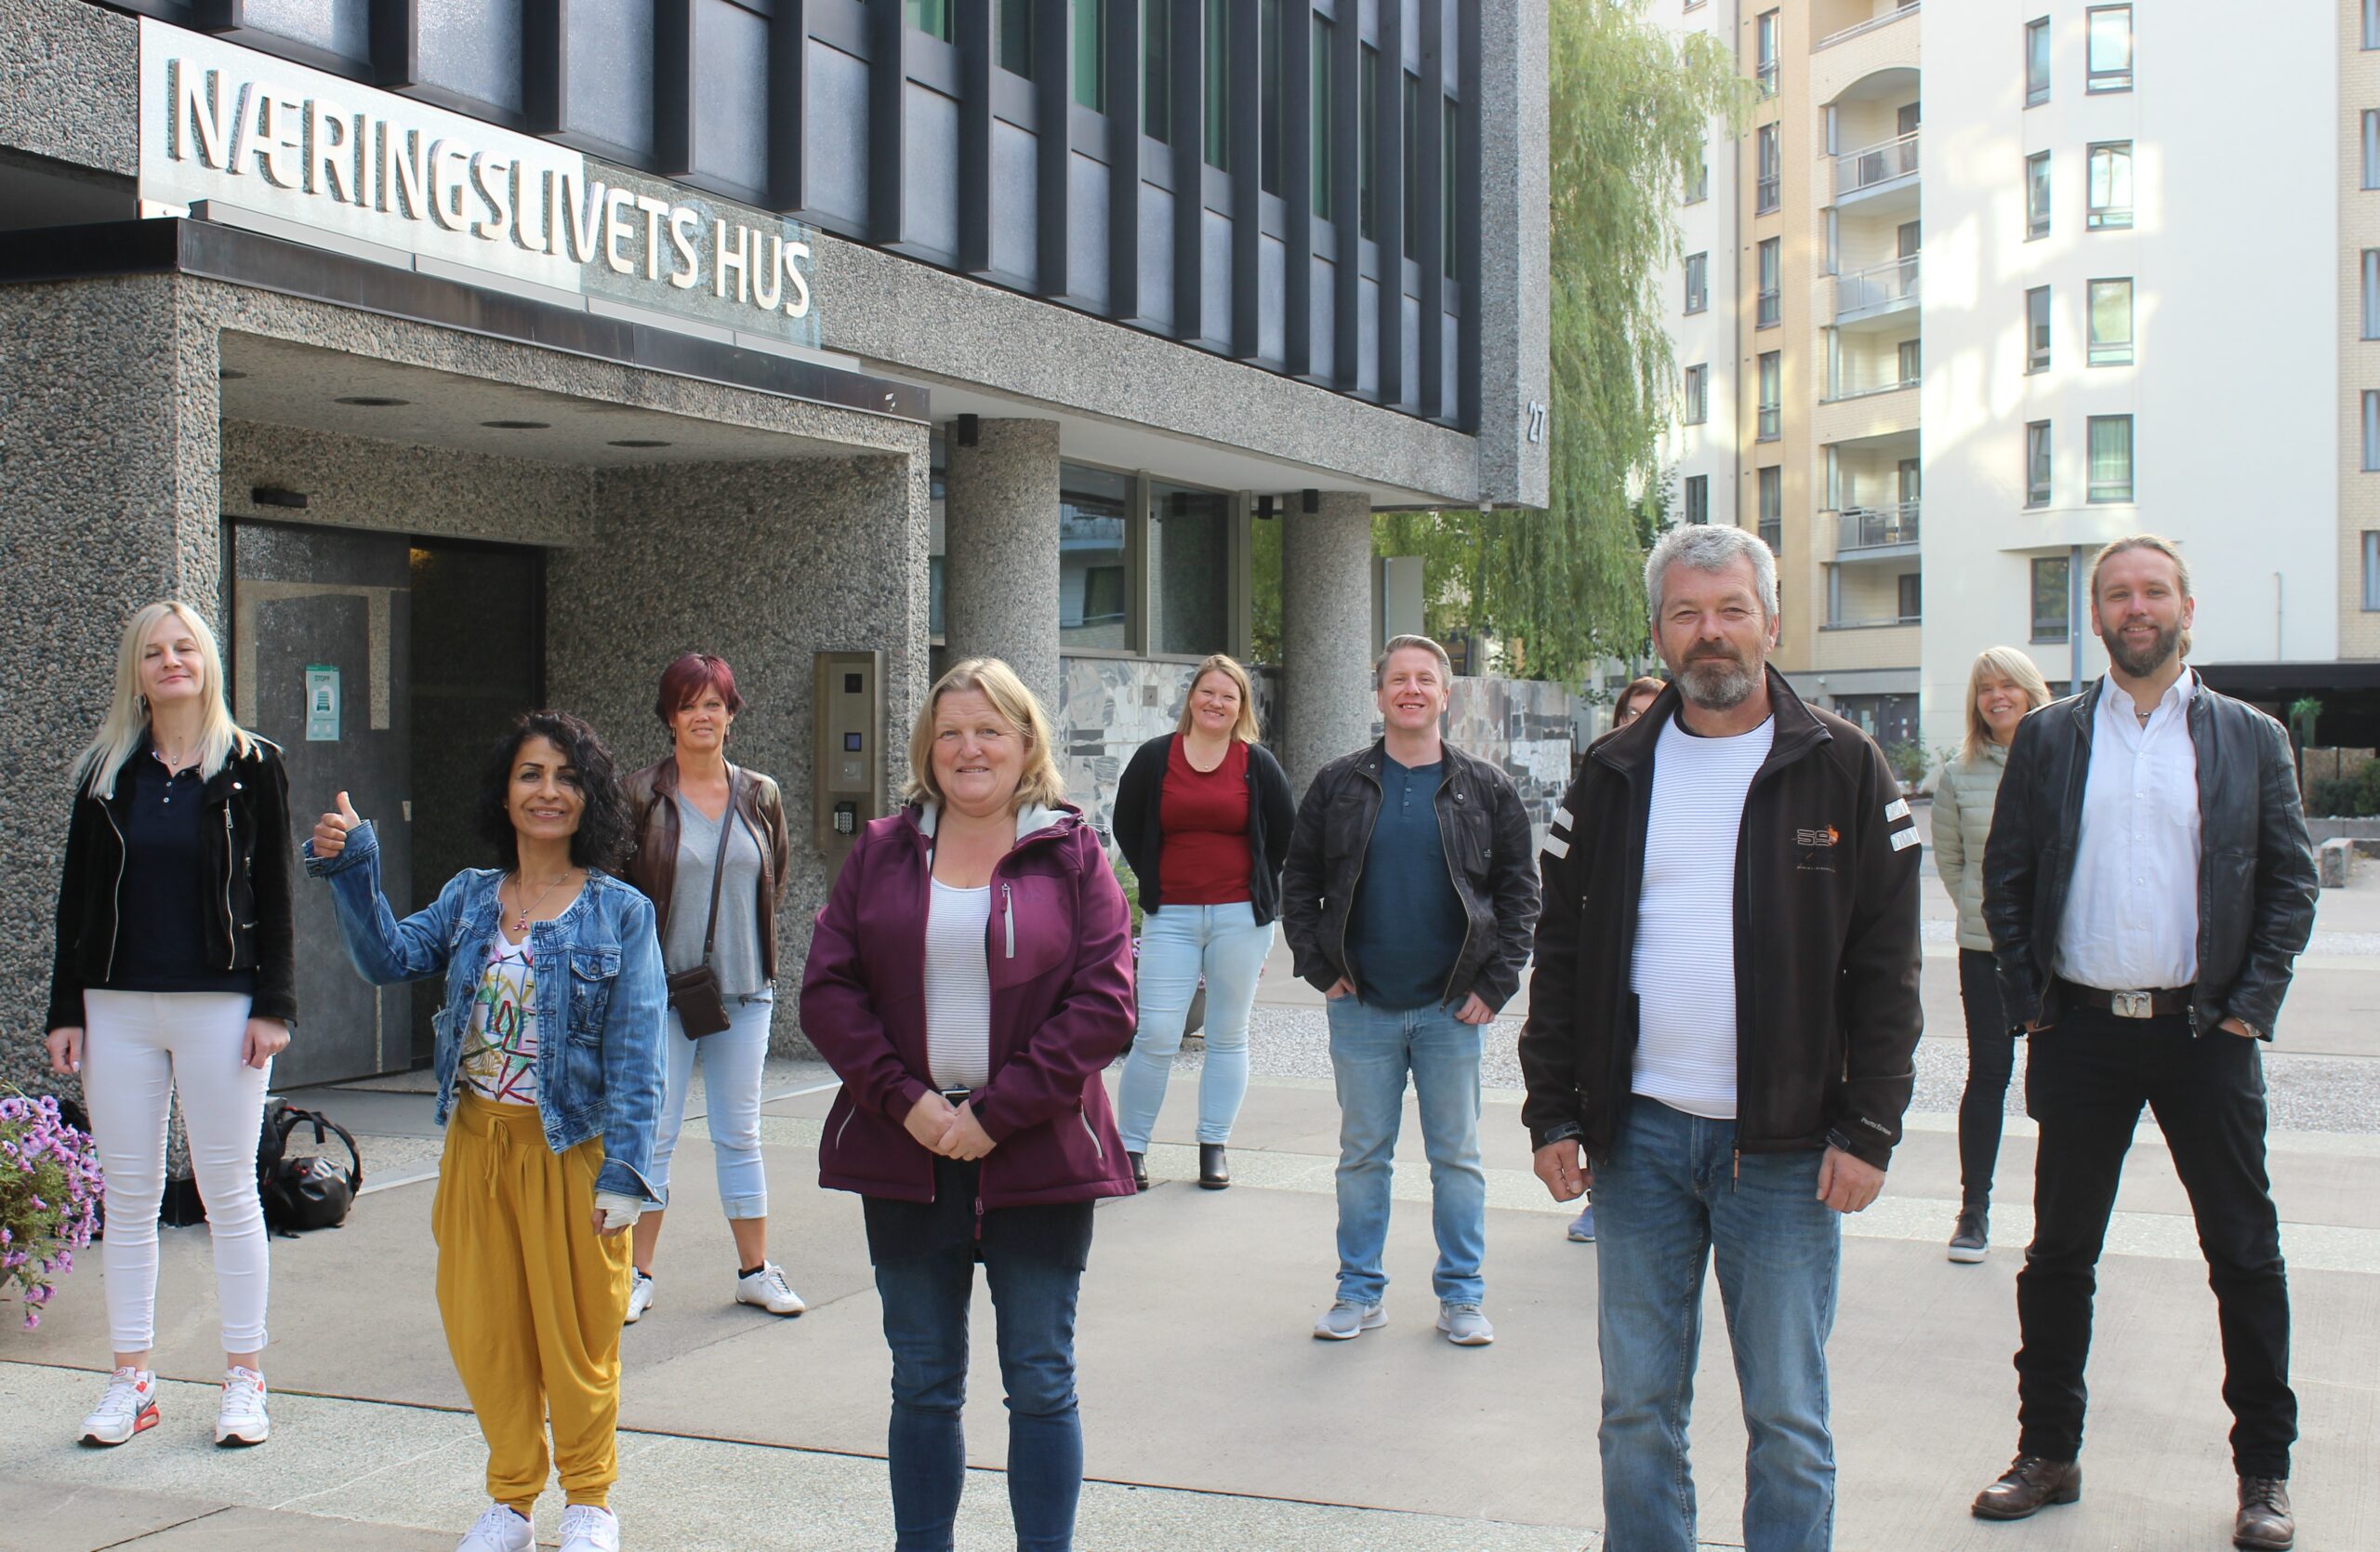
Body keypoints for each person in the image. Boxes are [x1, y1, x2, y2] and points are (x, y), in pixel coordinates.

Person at [1518, 524, 1924, 1552]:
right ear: (1658, 631)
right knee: (1635, 1413)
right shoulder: (1610, 774)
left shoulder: (1844, 766)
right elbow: (1559, 952)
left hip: (1786, 1155)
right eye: (1689, 613)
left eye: (1731, 610)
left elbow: (1888, 967)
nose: (1712, 633)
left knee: (1787, 1420)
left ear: (1771, 623)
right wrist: (1554, 1107)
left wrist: (1870, 1124)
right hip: (1639, 1142)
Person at [1971, 536, 2317, 1552]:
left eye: (2152, 590)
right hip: (2079, 1031)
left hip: (2205, 1034)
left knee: (2244, 1254)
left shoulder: (2249, 738)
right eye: (2117, 593)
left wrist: (2250, 1005)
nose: (2136, 606)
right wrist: (2030, 1002)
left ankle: (2263, 1474)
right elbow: (2008, 877)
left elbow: (2289, 883)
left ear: (2185, 607)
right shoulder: (2048, 738)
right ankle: (2048, 1452)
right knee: (2058, 1255)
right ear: (2095, 615)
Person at [305, 711, 666, 1552]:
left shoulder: (621, 912)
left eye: (568, 776)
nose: (549, 792)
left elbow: (640, 1055)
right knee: (487, 1330)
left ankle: (590, 1501)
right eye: (532, 774)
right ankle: (510, 1500)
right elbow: (388, 958)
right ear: (506, 793)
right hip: (476, 1144)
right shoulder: (472, 894)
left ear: (592, 798)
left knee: (578, 1334)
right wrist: (354, 867)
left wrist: (628, 1174)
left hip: (569, 1150)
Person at [800, 657, 1134, 1552]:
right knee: (921, 1380)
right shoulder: (880, 850)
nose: (969, 748)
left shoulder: (1073, 852)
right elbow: (829, 992)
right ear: (927, 748)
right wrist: (908, 1103)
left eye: (989, 729)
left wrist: (994, 1114)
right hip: (904, 1153)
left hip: (1038, 1154)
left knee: (1040, 1377)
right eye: (950, 732)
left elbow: (1106, 1004)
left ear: (1026, 742)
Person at [45, 601, 295, 1451]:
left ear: (208, 661)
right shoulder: (105, 771)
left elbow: (276, 900)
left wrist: (275, 1005)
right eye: (153, 651)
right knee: (131, 1195)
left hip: (221, 1006)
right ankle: (132, 1380)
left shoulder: (251, 766)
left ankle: (244, 1379)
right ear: (136, 670)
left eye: (184, 647)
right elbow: (74, 904)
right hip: (115, 1006)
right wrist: (66, 1008)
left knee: (228, 1193)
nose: (170, 661)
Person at [1281, 633, 1539, 1347]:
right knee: (1364, 1155)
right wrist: (1316, 965)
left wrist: (1496, 983)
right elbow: (1298, 881)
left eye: (1426, 679)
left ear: (1445, 694)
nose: (1412, 689)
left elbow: (1520, 895)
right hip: (1361, 1004)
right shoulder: (1338, 784)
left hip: (1453, 1009)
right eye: (1399, 678)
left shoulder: (1485, 788)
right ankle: (1358, 1290)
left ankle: (1461, 1295)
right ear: (1380, 692)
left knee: (1456, 1158)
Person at [620, 653, 800, 1322]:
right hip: (661, 992)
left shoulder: (761, 793)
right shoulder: (641, 795)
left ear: (731, 713)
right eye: (689, 703)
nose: (703, 715)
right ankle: (635, 1274)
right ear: (670, 715)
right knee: (655, 1133)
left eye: (715, 703)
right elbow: (619, 889)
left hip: (745, 989)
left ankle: (756, 1270)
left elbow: (772, 877)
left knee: (740, 1131)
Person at [1109, 654, 1296, 1191]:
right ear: (1192, 697)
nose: (1216, 703)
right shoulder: (1155, 758)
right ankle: (1132, 1148)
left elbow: (1284, 836)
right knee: (1156, 1033)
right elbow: (1127, 823)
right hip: (1170, 917)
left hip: (1242, 919)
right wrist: (1160, 880)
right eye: (1208, 692)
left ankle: (1213, 1146)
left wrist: (1254, 886)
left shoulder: (1257, 764)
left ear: (1242, 707)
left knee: (1227, 1034)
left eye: (1229, 696)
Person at [1932, 646, 2053, 1263]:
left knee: (2057, 1084)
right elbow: (1950, 863)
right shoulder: (1959, 772)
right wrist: (1982, 912)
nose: (1997, 696)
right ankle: (1973, 1210)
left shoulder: (2063, 757)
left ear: (2031, 690)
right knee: (1988, 1076)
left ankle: (2054, 1218)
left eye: (2008, 685)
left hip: (2057, 955)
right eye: (1986, 688)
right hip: (1984, 951)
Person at [1566, 672, 1668, 1246]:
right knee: (1603, 1081)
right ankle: (1599, 1197)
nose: (1640, 723)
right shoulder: (1603, 774)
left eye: (1651, 712)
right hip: (1607, 964)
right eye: (1631, 714)